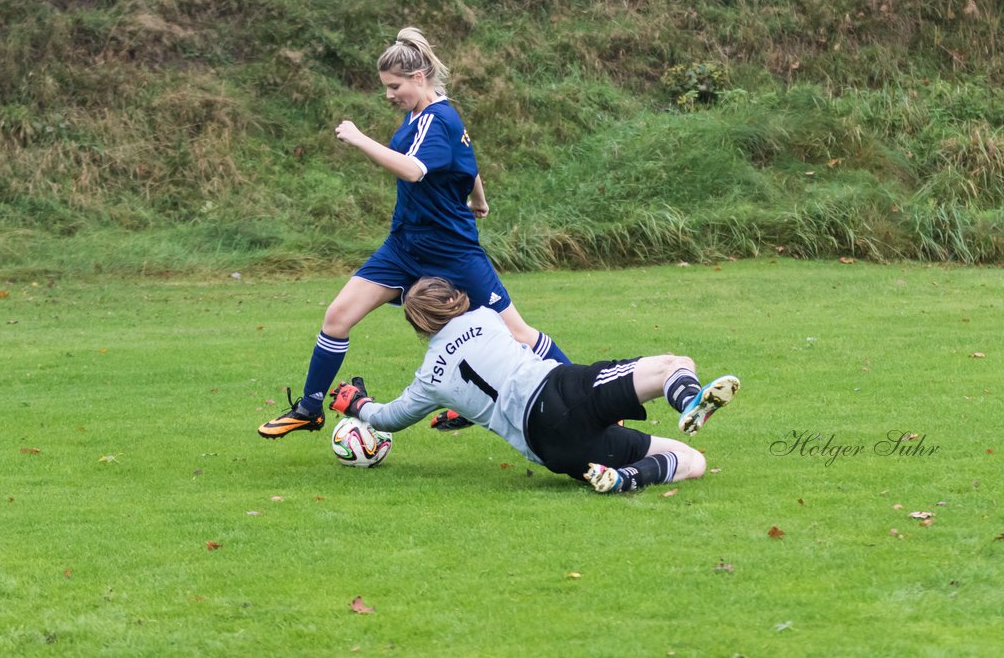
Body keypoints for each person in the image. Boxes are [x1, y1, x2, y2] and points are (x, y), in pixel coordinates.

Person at [258, 28, 571, 439]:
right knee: (337, 317)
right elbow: (468, 161)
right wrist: (478, 198)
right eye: (385, 87)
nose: (389, 94)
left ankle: (587, 395)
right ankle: (310, 407)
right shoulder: (420, 116)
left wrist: (358, 138)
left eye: (395, 86)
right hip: (404, 247)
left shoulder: (438, 120)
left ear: (420, 77)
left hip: (451, 253)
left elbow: (413, 169)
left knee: (517, 332)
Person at [327, 277, 740, 493]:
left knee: (690, 460)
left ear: (418, 326)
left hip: (551, 449)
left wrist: (356, 403)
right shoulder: (484, 316)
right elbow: (512, 347)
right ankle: (688, 399)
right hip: (561, 391)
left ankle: (627, 477)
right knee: (676, 364)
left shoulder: (429, 379)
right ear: (455, 299)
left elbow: (391, 418)